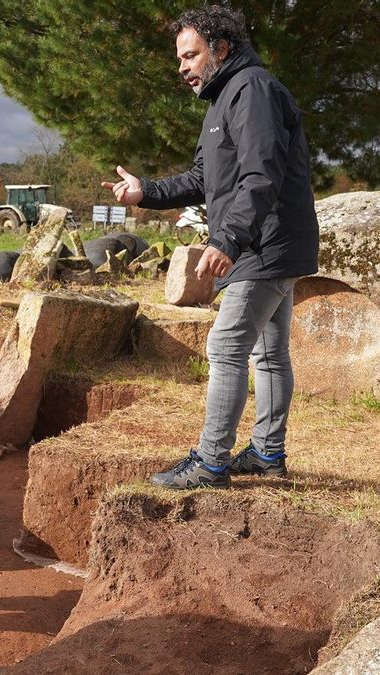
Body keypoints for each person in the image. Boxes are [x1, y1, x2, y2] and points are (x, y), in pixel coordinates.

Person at [102, 5, 319, 489]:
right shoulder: (223, 100)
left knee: (224, 347)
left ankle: (210, 463)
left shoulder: (253, 90)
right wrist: (146, 191)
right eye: (180, 57)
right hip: (270, 241)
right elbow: (205, 178)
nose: (182, 66)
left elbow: (262, 175)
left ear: (221, 49)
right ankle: (266, 454)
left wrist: (228, 238)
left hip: (265, 243)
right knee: (268, 351)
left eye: (191, 54)